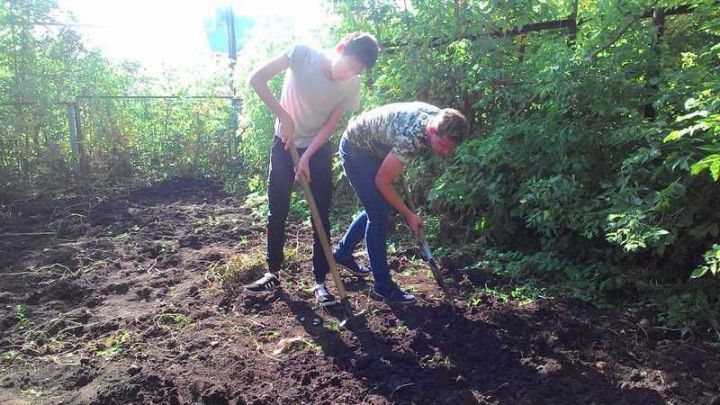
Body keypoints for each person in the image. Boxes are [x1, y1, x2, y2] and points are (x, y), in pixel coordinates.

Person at [242, 33, 380, 307]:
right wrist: (283, 115)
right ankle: (273, 271)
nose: (348, 74)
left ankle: (320, 281)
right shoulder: (302, 55)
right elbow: (257, 79)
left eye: (357, 71)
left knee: (321, 214)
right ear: (340, 48)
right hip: (284, 142)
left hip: (317, 149)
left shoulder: (351, 86)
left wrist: (307, 157)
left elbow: (331, 124)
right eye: (349, 65)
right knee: (277, 210)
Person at [333, 102, 469, 305]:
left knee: (378, 207)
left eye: (451, 148)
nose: (445, 152)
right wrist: (408, 214)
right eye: (443, 146)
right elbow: (382, 181)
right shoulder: (411, 138)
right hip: (356, 148)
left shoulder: (441, 118)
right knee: (378, 214)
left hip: (376, 147)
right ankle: (383, 286)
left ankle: (342, 255)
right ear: (432, 131)